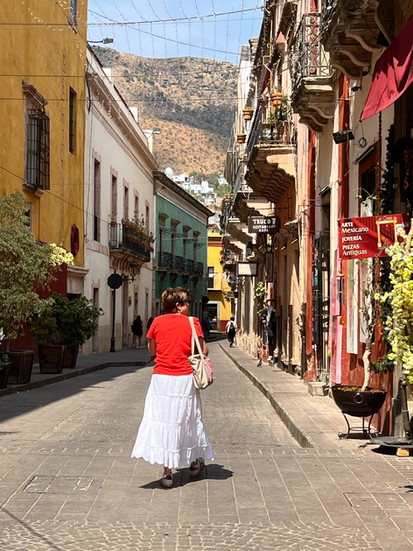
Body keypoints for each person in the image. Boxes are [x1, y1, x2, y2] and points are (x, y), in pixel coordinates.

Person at [131, 287, 214, 489]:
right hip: (185, 378)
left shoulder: (157, 322)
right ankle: (193, 463)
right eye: (186, 302)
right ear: (178, 306)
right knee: (187, 419)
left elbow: (153, 350)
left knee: (164, 420)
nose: (188, 306)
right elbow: (203, 349)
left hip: (161, 379)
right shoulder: (191, 322)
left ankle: (167, 474)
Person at [266, 299, 277, 364]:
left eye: (274, 303)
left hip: (275, 325)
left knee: (274, 339)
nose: (273, 304)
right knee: (270, 339)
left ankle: (273, 352)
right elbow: (266, 304)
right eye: (272, 303)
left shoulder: (276, 310)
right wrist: (269, 300)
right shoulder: (270, 308)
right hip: (270, 325)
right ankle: (270, 354)